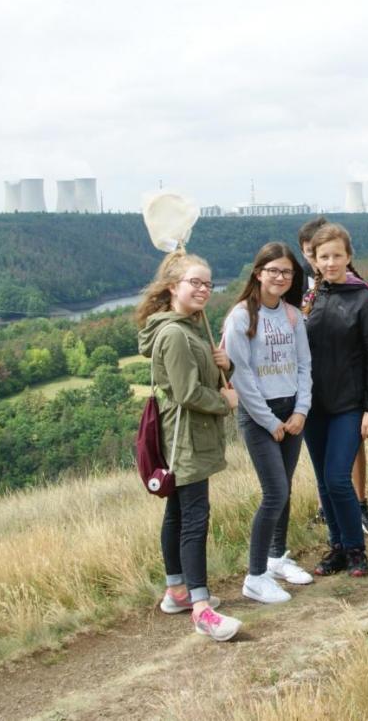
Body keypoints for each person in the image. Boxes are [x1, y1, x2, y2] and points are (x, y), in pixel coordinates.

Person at [136, 250, 242, 641]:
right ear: (172, 287)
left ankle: (177, 590)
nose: (202, 289)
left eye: (207, 283)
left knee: (178, 513)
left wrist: (224, 366)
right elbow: (185, 393)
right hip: (186, 439)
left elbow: (204, 374)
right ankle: (201, 607)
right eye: (194, 282)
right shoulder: (175, 334)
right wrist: (225, 402)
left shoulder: (191, 326)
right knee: (194, 517)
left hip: (188, 435)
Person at [222, 243, 314, 604]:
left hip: (292, 411)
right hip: (260, 416)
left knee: (285, 487)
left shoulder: (293, 316)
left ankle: (277, 557)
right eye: (273, 270)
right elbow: (240, 375)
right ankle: (255, 575)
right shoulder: (241, 317)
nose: (279, 277)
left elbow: (305, 365)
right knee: (274, 492)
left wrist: (301, 411)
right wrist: (269, 420)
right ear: (258, 273)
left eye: (287, 272)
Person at [303, 223, 368, 577]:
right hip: (313, 407)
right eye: (324, 256)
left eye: (337, 255)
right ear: (315, 260)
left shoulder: (365, 298)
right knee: (324, 481)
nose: (331, 262)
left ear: (349, 256)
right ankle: (337, 547)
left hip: (349, 405)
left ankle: (356, 549)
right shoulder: (312, 298)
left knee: (338, 477)